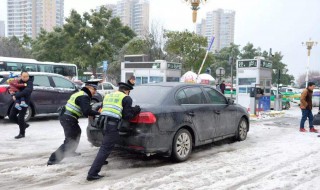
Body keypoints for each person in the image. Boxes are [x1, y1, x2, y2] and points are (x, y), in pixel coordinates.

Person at [87, 82, 141, 181]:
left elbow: (104, 108)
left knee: (105, 146)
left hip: (103, 124)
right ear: (127, 91)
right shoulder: (126, 98)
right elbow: (127, 116)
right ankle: (92, 173)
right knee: (105, 148)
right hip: (111, 125)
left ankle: (100, 161)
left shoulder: (108, 95)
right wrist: (136, 110)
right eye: (128, 92)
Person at [47, 81, 101, 165]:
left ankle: (71, 151)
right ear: (89, 88)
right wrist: (99, 113)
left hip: (66, 117)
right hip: (68, 118)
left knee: (77, 132)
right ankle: (53, 159)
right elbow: (86, 112)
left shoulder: (80, 93)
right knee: (70, 139)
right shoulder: (84, 96)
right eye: (94, 89)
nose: (95, 92)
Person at [9, 71, 34, 139]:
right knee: (12, 116)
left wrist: (16, 95)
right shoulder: (18, 81)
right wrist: (12, 93)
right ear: (21, 76)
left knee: (21, 117)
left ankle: (22, 133)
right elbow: (12, 87)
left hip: (24, 102)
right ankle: (24, 125)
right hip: (17, 101)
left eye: (27, 76)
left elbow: (27, 91)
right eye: (24, 76)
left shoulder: (30, 82)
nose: (26, 78)